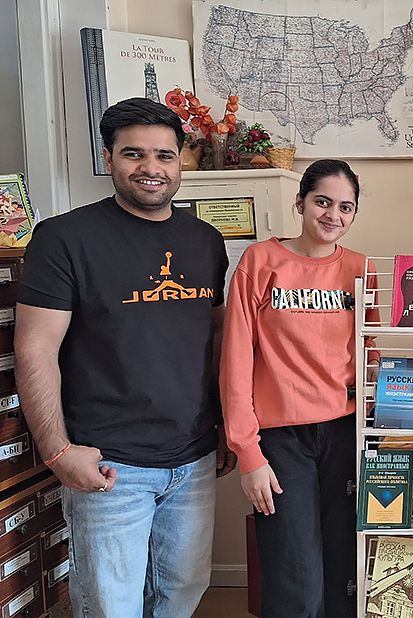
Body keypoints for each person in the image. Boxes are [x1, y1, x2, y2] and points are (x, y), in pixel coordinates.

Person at [13, 97, 234, 617]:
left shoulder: (205, 240)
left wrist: (226, 425)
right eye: (134, 153)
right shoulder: (64, 238)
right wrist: (57, 449)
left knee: (180, 595)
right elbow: (35, 347)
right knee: (112, 606)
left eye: (164, 155)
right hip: (109, 463)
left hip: (193, 456)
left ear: (181, 162)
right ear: (108, 157)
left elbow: (218, 334)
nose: (151, 168)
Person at [220, 159, 380, 618]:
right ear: (301, 202)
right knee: (296, 579)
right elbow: (236, 360)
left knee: (346, 568)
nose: (333, 215)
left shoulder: (361, 268)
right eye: (322, 202)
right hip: (280, 439)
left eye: (345, 207)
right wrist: (248, 454)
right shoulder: (260, 262)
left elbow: (369, 352)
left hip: (345, 433)